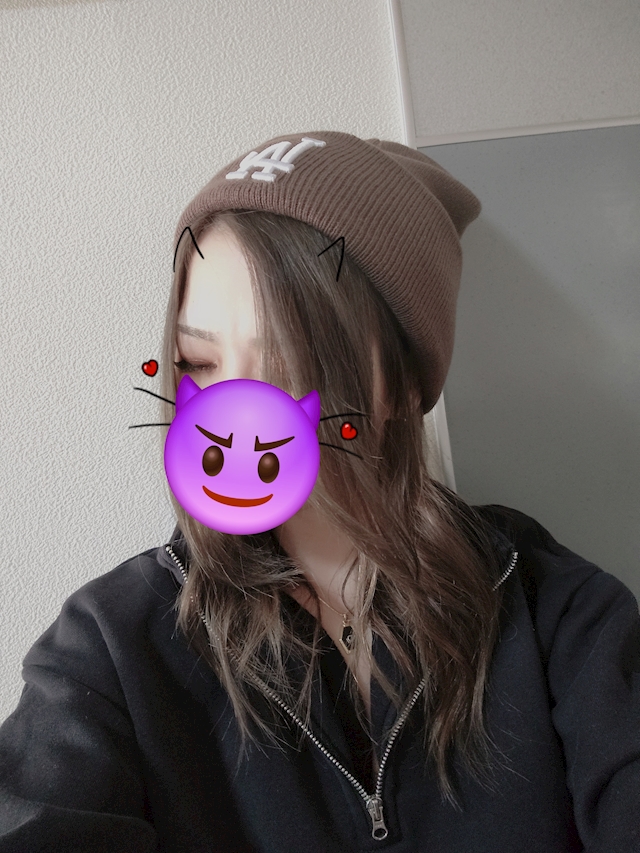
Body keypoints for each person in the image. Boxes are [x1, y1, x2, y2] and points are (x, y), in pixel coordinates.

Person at [0, 131, 638, 853]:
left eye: (285, 361)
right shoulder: (113, 645)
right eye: (199, 361)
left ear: (399, 386)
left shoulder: (553, 610)